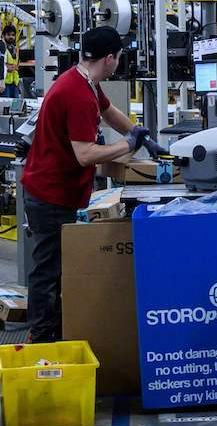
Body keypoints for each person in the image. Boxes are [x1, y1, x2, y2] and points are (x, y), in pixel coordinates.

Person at [19, 26, 150, 341]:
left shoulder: (84, 82)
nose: (118, 63)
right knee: (48, 272)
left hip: (58, 191)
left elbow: (108, 111)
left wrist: (141, 133)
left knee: (58, 268)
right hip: (50, 195)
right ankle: (43, 339)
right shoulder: (77, 94)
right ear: (109, 58)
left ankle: (57, 330)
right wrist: (129, 145)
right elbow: (85, 154)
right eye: (118, 58)